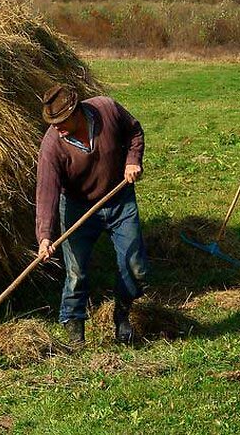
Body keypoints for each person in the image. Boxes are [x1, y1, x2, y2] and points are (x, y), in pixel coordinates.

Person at [35, 83, 149, 346]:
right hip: (78, 207)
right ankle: (75, 334)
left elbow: (134, 131)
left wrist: (133, 160)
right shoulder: (53, 146)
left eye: (61, 121)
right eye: (52, 122)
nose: (56, 127)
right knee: (76, 273)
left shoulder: (106, 110)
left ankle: (122, 314)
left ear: (77, 111)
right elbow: (47, 192)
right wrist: (44, 236)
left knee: (136, 266)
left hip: (118, 199)